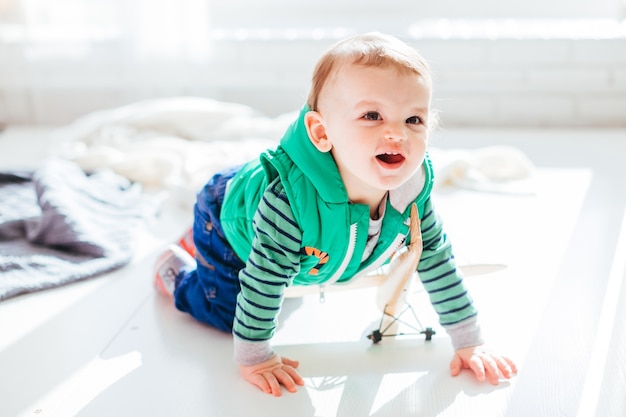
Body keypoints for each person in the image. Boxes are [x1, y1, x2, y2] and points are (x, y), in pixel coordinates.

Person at [153, 32, 517, 397]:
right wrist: (255, 357)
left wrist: (469, 340)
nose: (397, 133)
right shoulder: (291, 204)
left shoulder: (411, 191)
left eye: (414, 119)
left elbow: (434, 257)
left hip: (272, 221)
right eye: (372, 116)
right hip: (226, 223)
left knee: (286, 285)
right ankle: (179, 271)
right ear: (321, 132)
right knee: (228, 314)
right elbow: (263, 280)